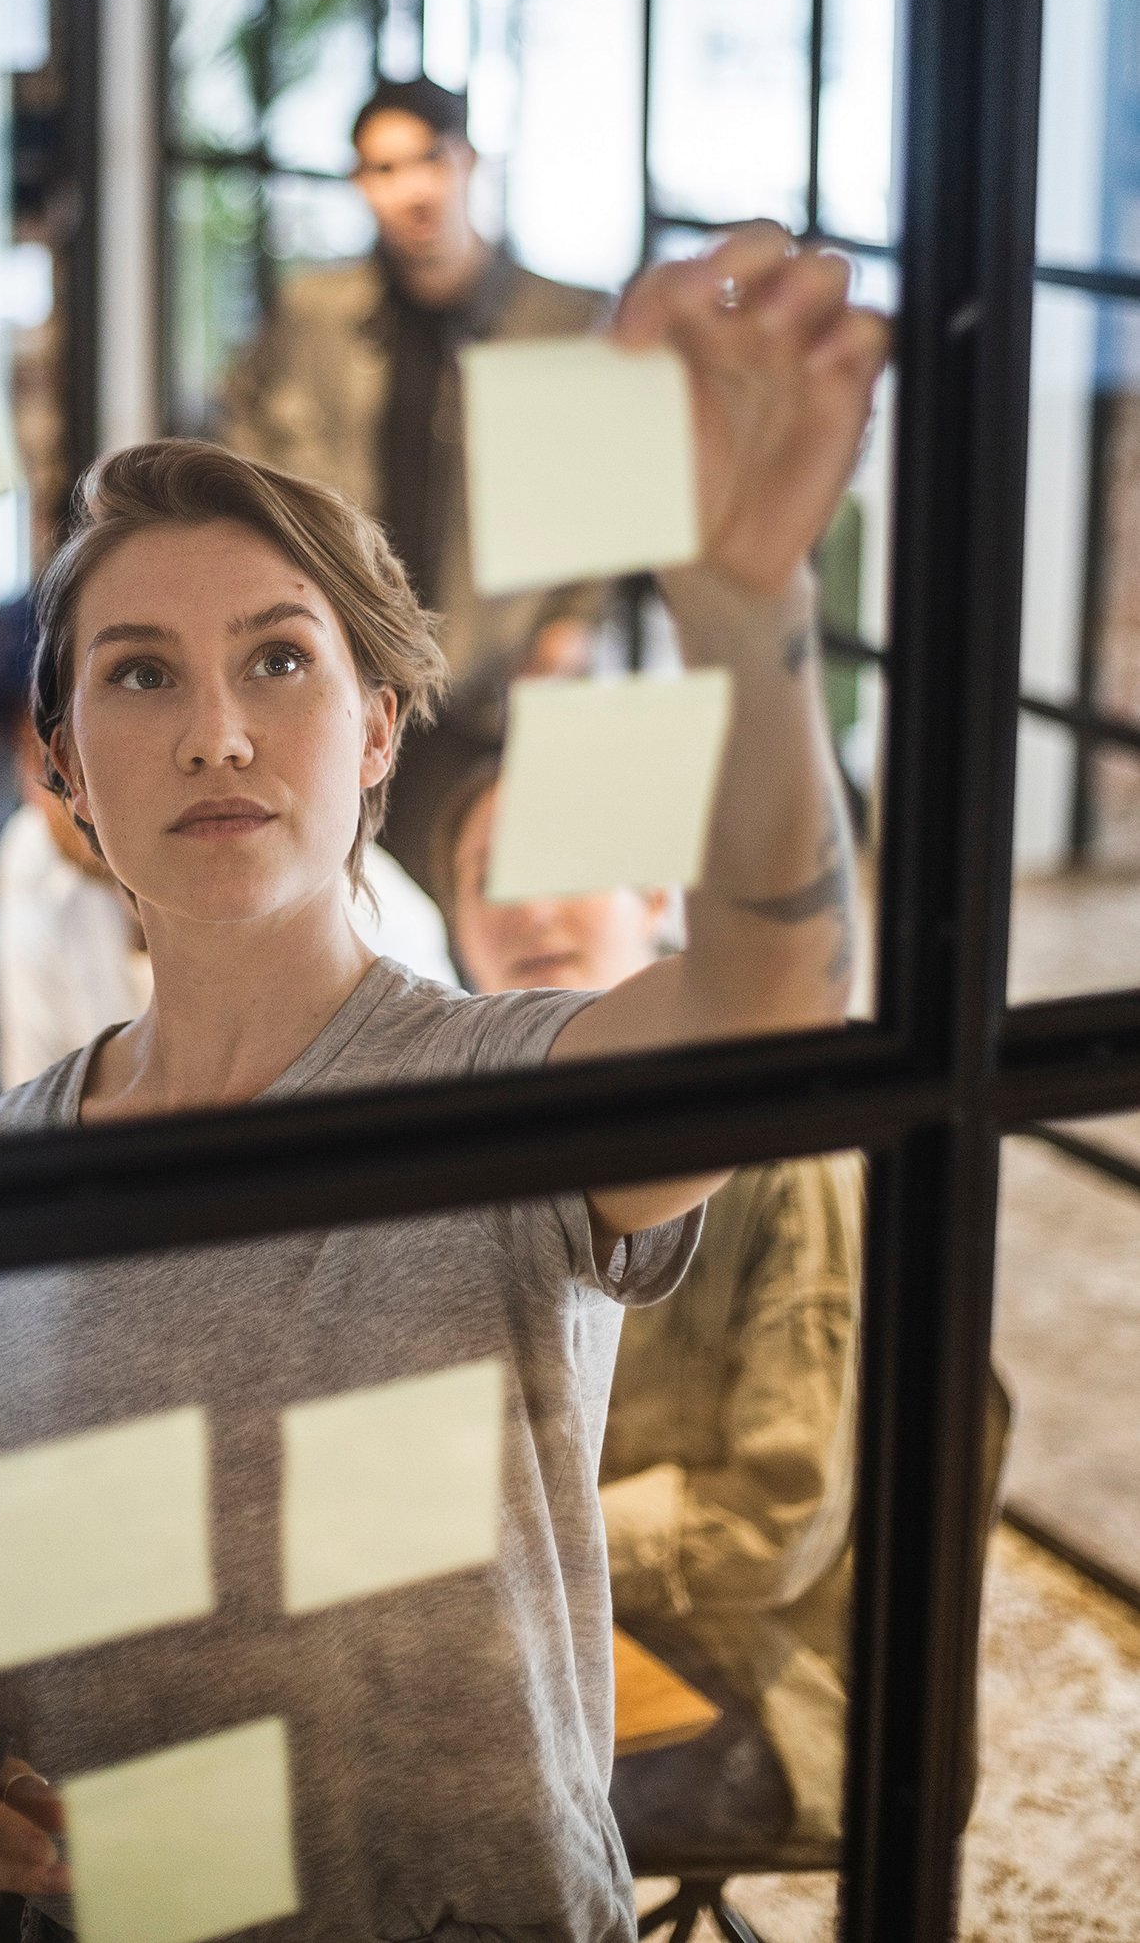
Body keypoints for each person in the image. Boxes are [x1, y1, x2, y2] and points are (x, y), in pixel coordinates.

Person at [0, 227, 887, 1940]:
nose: (218, 733)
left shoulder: (491, 1096)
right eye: (141, 672)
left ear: (381, 732)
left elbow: (777, 1007)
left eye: (282, 661)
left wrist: (744, 596)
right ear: (67, 767)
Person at [439, 758, 864, 1853]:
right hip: (530, 1639)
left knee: (409, 1822)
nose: (527, 906)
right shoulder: (463, 1142)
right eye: (489, 874)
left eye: (563, 863)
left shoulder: (778, 1140)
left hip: (753, 1681)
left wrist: (511, 1541)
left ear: (657, 895)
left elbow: (776, 1518)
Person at [220, 78, 613, 887]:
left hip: (493, 686)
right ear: (362, 186)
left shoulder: (565, 320)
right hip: (351, 668)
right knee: (343, 901)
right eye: (384, 169)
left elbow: (603, 504)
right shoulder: (315, 316)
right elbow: (247, 454)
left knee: (480, 910)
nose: (413, 188)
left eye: (430, 160)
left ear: (467, 161)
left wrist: (569, 627)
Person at [0, 622, 459, 1089]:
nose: (60, 788)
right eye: (40, 757)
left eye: (277, 665)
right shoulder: (33, 859)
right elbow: (34, 1106)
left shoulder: (378, 928)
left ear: (374, 730)